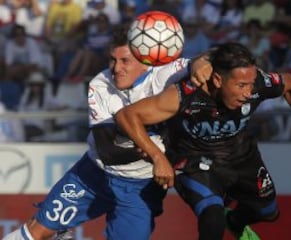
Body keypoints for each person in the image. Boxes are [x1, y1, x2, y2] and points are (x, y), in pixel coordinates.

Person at [3, 26, 211, 240]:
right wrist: (158, 154)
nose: (116, 68)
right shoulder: (100, 85)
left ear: (145, 61)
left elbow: (210, 58)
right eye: (112, 60)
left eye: (125, 61)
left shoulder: (165, 73)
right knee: (35, 232)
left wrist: (201, 63)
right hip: (93, 175)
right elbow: (107, 151)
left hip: (140, 189)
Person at [115, 42, 291, 240]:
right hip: (194, 161)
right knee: (212, 218)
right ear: (218, 80)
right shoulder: (186, 93)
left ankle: (235, 222)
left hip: (241, 157)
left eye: (250, 85)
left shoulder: (255, 83)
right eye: (241, 86)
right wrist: (158, 157)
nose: (249, 93)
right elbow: (127, 116)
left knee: (268, 212)